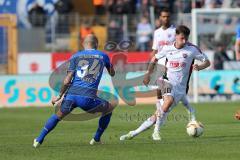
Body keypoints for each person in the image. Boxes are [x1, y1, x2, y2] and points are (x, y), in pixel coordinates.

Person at [120, 25, 210, 141]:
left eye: (186, 38)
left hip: (180, 89)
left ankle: (133, 133)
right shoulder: (168, 48)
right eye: (182, 38)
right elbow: (154, 59)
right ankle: (156, 132)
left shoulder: (192, 50)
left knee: (158, 116)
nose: (184, 41)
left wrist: (200, 66)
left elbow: (207, 62)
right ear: (176, 36)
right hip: (165, 81)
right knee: (168, 101)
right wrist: (148, 74)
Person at [33, 34, 115, 148]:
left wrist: (59, 96)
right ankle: (96, 139)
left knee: (58, 115)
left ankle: (38, 139)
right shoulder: (103, 56)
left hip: (71, 95)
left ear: (83, 44)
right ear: (97, 44)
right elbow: (112, 73)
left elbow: (67, 80)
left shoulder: (76, 56)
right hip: (87, 97)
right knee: (109, 108)